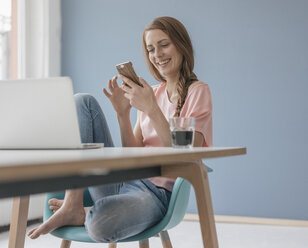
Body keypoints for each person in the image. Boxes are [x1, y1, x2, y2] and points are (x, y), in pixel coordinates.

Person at [27, 16, 212, 242]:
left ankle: (87, 212)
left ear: (181, 45)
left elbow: (187, 155)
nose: (157, 55)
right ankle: (73, 203)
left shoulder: (197, 92)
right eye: (151, 49)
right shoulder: (150, 93)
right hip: (125, 181)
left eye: (164, 45)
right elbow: (131, 152)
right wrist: (122, 113)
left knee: (99, 225)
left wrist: (152, 109)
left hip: (156, 195)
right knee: (82, 102)